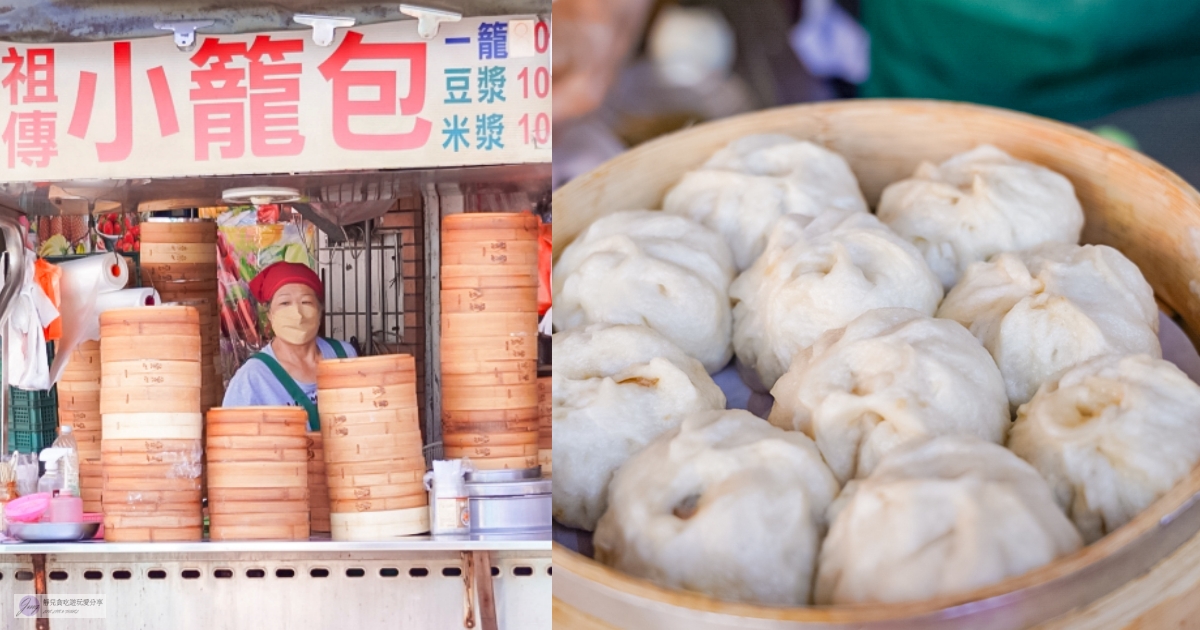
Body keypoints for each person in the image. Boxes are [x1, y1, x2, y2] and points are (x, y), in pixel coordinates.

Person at [222, 262, 356, 430]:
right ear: (269, 313)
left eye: (306, 302)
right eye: (285, 303)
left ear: (320, 310)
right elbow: (232, 444)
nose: (297, 314)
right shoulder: (253, 377)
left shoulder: (345, 356)